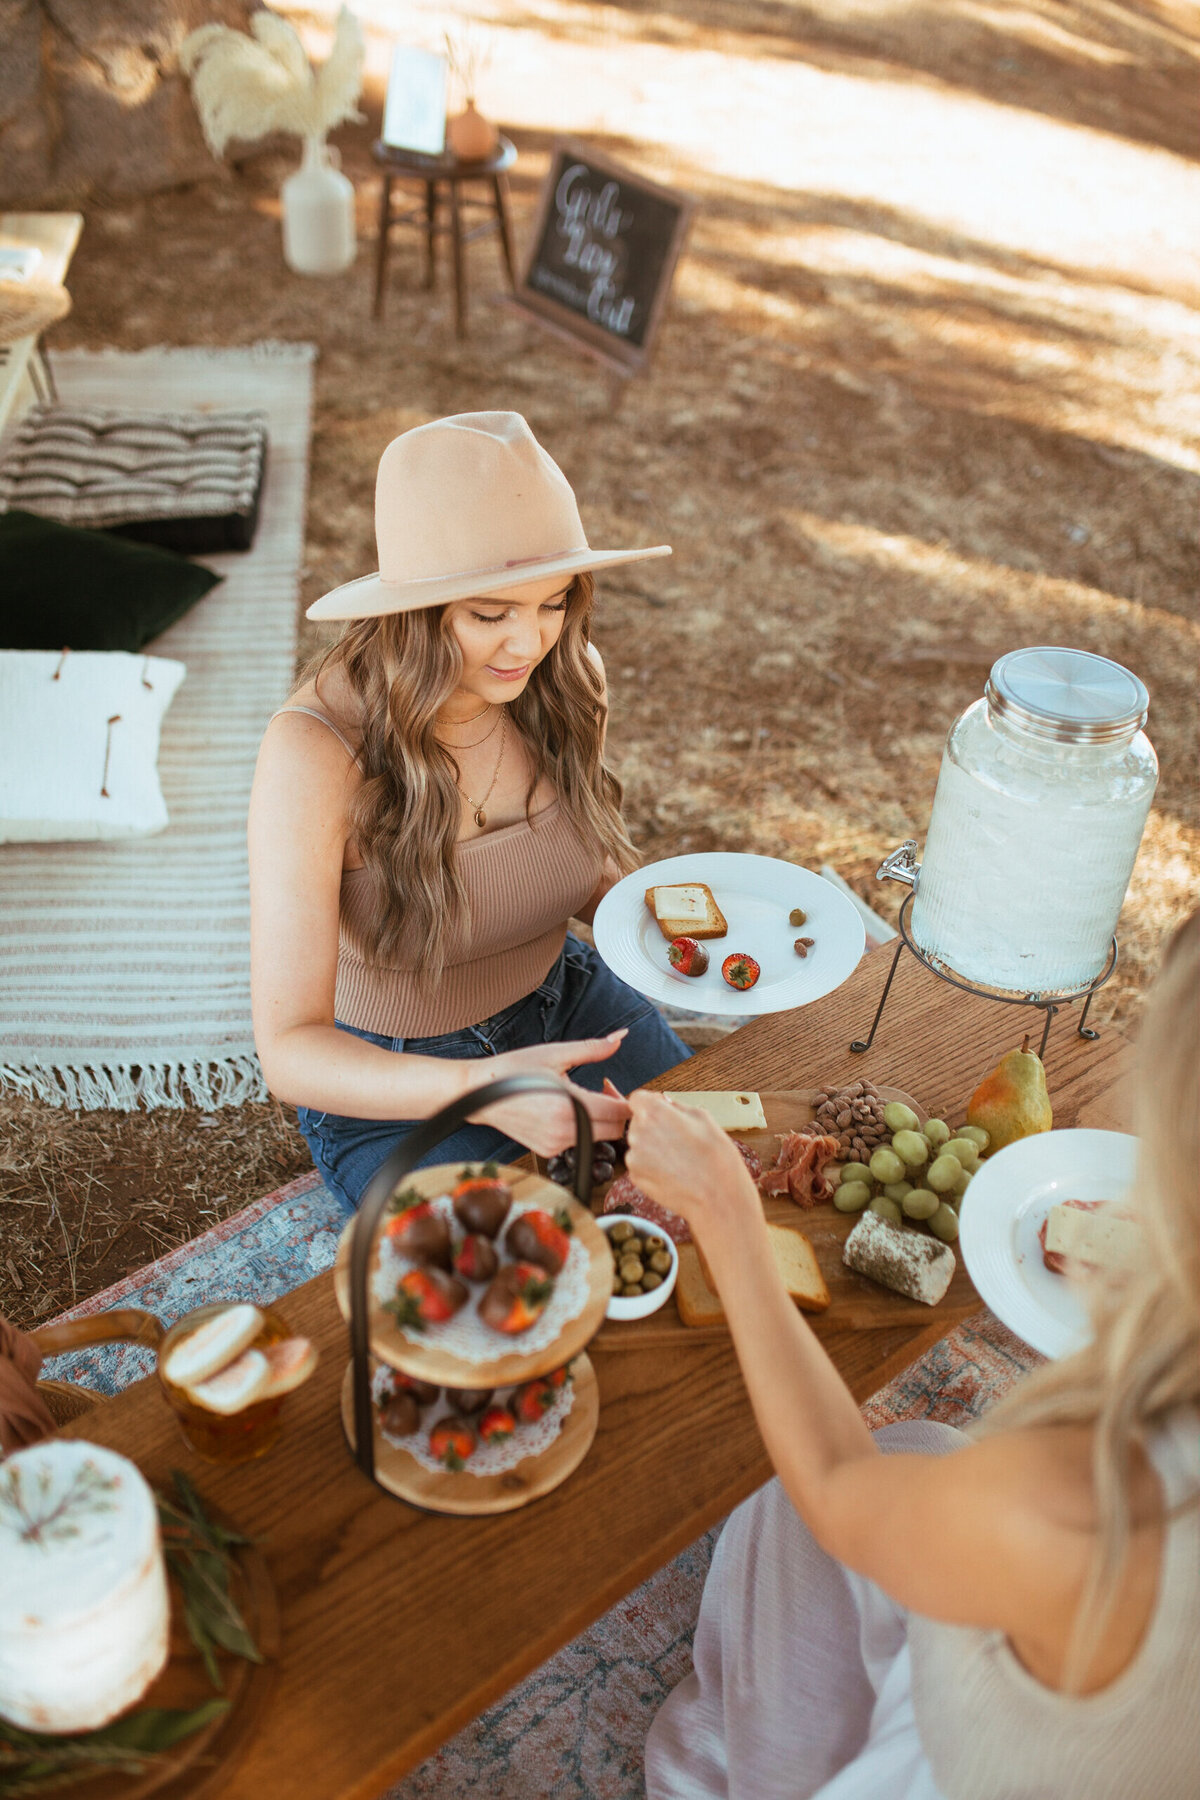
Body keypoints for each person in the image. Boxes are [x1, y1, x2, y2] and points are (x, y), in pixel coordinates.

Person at [624, 911, 1200, 1799]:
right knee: (922, 1446)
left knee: (784, 1502)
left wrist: (726, 1215)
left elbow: (834, 1493)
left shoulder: (1081, 1508)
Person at [249, 411, 690, 1211]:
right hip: (397, 1082)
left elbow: (581, 865)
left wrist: (669, 927)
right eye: (491, 614)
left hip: (568, 1001)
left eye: (554, 602)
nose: (530, 643)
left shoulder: (565, 676)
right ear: (413, 611)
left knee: (718, 1181)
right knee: (514, 1286)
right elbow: (289, 1049)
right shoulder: (314, 752)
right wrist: (488, 1087)